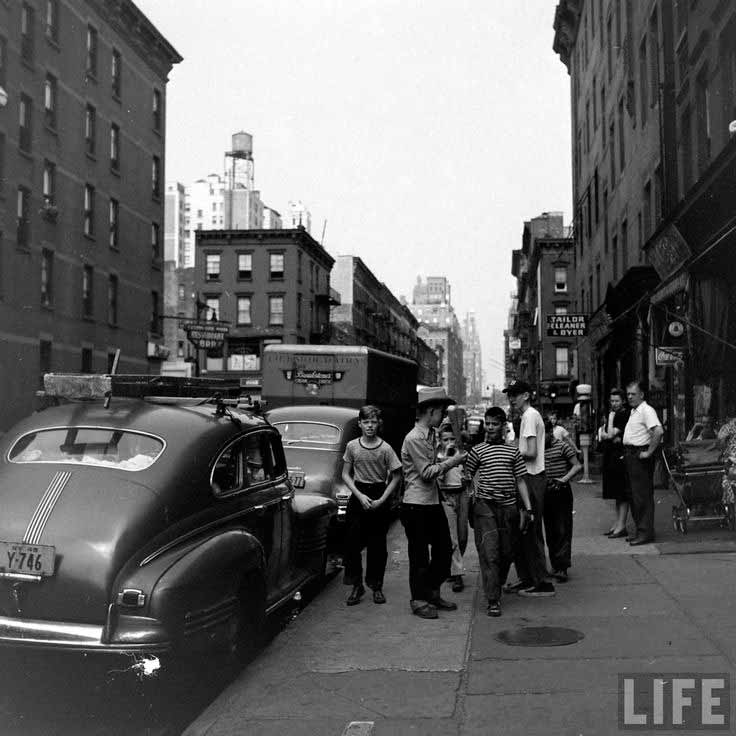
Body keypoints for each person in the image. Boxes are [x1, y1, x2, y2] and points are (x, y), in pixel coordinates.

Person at [401, 386, 466, 619]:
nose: (444, 416)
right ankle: (419, 599)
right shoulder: (415, 438)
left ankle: (431, 592)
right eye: (441, 411)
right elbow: (427, 472)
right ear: (430, 411)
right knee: (419, 555)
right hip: (416, 504)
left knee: (444, 550)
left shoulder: (430, 434)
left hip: (431, 501)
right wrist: (453, 461)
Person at [464, 407, 532, 617]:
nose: (490, 428)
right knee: (490, 553)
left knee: (506, 552)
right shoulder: (478, 451)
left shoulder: (513, 451)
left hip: (508, 507)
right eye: (488, 423)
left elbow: (521, 480)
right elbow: (468, 475)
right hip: (485, 507)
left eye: (495, 424)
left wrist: (528, 508)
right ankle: (493, 599)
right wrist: (471, 493)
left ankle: (497, 582)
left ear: (503, 426)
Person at [341, 405, 403, 606]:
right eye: (366, 422)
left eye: (373, 422)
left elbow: (396, 476)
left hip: (378, 495)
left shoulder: (385, 448)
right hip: (359, 495)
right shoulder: (352, 446)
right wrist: (359, 496)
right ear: (359, 423)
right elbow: (345, 474)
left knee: (377, 545)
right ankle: (356, 585)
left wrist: (383, 499)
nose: (369, 426)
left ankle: (376, 586)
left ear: (379, 424)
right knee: (351, 543)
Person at [502, 379, 555, 597]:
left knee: (531, 530)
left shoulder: (531, 416)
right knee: (523, 531)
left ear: (526, 395)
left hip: (533, 477)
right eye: (509, 394)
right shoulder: (525, 417)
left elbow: (531, 451)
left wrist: (510, 451)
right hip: (527, 476)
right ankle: (527, 578)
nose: (511, 398)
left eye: (515, 394)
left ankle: (541, 581)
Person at [622, 381, 664, 545]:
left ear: (642, 395)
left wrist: (649, 452)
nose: (630, 397)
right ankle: (641, 530)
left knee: (641, 495)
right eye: (628, 394)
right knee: (634, 495)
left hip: (639, 455)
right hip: (631, 455)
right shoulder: (635, 411)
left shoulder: (647, 410)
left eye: (633, 394)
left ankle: (645, 532)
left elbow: (658, 431)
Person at [542, 418, 581, 582]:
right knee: (550, 531)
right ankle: (556, 565)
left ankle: (563, 567)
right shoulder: (536, 449)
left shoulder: (562, 446)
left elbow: (577, 465)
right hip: (545, 491)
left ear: (550, 432)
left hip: (561, 491)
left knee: (562, 529)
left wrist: (563, 479)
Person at [437, 424, 469, 593]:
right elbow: (438, 478)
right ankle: (457, 574)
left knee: (463, 536)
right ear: (440, 441)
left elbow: (468, 473)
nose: (449, 442)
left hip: (462, 495)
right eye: (445, 439)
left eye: (452, 439)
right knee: (453, 538)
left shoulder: (462, 454)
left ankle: (453, 566)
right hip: (446, 496)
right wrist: (447, 460)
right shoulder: (438, 456)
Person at [599, 388, 631, 538]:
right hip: (612, 455)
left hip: (619, 456)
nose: (614, 403)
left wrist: (609, 424)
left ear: (623, 401)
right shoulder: (614, 414)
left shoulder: (623, 414)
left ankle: (621, 525)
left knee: (621, 493)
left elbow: (610, 433)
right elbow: (602, 434)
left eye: (617, 400)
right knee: (616, 493)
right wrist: (606, 435)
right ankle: (617, 523)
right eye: (612, 401)